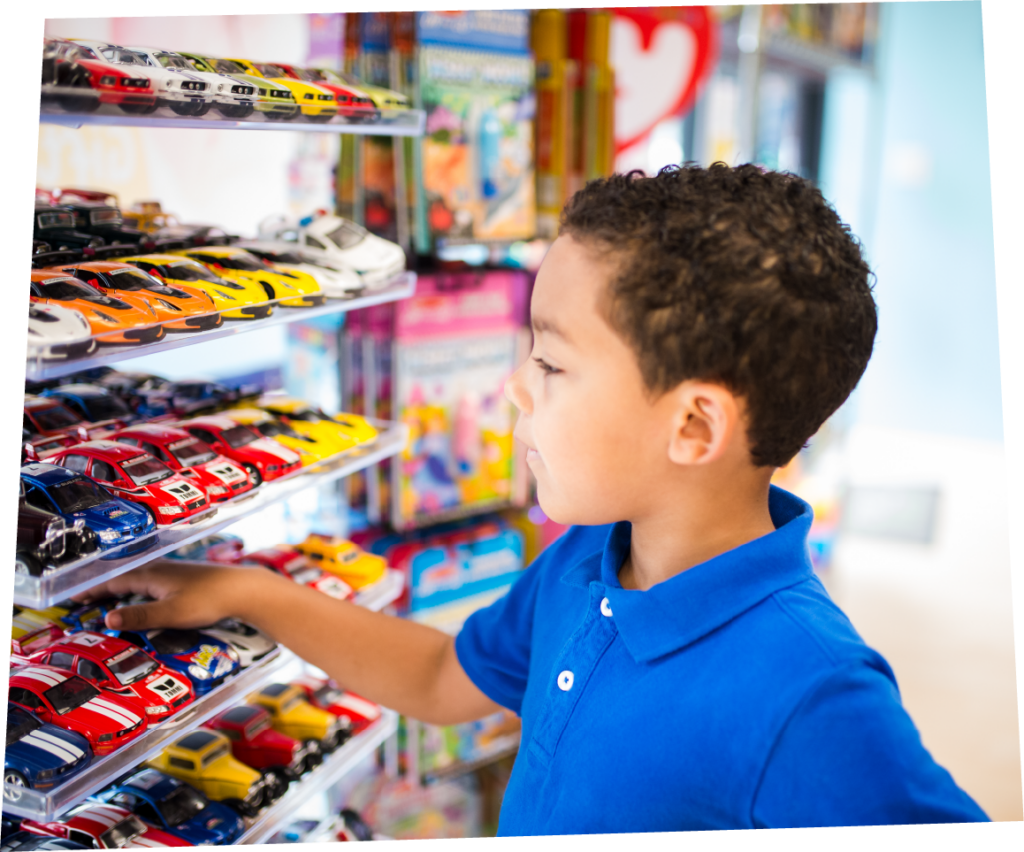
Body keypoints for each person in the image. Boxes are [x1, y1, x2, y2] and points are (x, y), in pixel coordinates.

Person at [81, 165, 987, 831]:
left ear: (694, 429)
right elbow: (443, 679)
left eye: (550, 362)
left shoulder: (811, 693)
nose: (516, 387)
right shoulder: (589, 562)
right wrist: (251, 595)